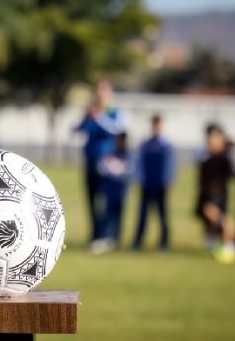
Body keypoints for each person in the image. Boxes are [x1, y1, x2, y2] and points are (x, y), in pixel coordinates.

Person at [74, 80, 125, 244]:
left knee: (106, 201)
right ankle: (95, 234)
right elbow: (78, 129)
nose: (100, 95)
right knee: (91, 201)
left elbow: (117, 129)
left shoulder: (113, 112)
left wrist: (99, 116)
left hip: (107, 166)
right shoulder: (91, 111)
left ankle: (107, 234)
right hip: (90, 163)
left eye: (103, 91)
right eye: (98, 91)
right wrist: (86, 116)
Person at [132, 115, 175, 251]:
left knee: (163, 215)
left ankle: (164, 242)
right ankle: (138, 241)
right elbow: (139, 163)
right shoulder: (146, 144)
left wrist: (167, 180)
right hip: (147, 184)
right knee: (143, 214)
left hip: (160, 185)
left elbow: (170, 165)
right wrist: (139, 179)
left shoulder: (166, 145)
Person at [196, 124, 235, 264]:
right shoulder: (207, 157)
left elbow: (233, 173)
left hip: (218, 194)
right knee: (209, 221)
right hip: (206, 193)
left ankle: (230, 248)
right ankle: (213, 247)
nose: (210, 141)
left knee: (221, 219)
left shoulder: (225, 157)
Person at [91, 132, 131, 254]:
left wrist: (115, 168)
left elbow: (128, 170)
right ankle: (105, 237)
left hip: (121, 190)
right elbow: (101, 167)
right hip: (109, 190)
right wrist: (115, 168)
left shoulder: (127, 154)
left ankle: (116, 239)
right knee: (107, 214)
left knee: (118, 215)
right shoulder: (110, 153)